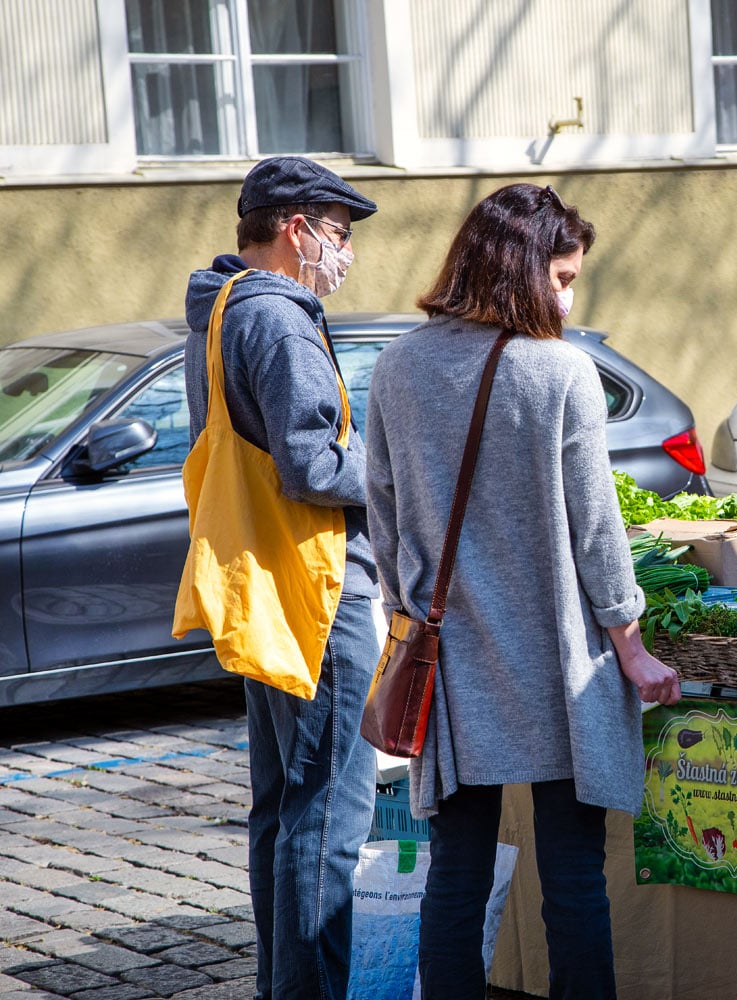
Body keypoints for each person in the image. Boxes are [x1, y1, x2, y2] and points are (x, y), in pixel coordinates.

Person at [362, 182, 681, 999]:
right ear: (519, 270)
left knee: (455, 879)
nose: (570, 299)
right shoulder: (560, 372)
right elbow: (598, 533)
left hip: (453, 666)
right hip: (559, 667)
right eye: (564, 279)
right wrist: (634, 649)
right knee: (574, 881)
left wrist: (408, 606)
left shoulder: (397, 368)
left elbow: (386, 516)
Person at [178, 156, 381, 999]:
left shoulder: (218, 309)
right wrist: (396, 468)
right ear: (294, 229)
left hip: (259, 587)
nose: (344, 254)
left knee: (283, 810)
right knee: (327, 819)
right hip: (315, 588)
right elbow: (311, 464)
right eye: (337, 235)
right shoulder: (283, 319)